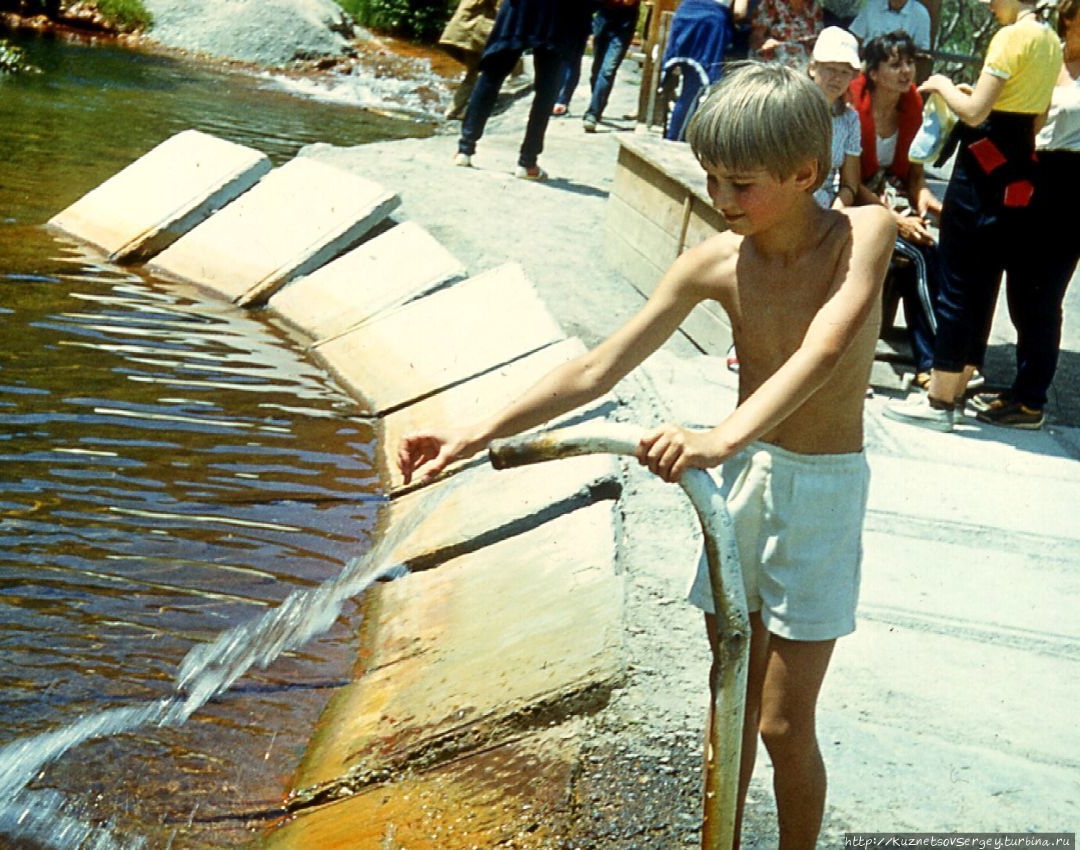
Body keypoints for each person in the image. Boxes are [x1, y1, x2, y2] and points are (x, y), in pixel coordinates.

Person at [401, 63, 896, 850]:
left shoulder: (862, 234)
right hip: (741, 486)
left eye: (740, 183)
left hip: (821, 492)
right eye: (711, 179)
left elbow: (825, 349)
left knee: (779, 723)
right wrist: (476, 435)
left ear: (806, 173)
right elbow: (598, 368)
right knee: (725, 698)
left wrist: (721, 436)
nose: (721, 200)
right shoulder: (714, 264)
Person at [884, 0, 1062, 431]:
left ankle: (940, 400)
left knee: (959, 281)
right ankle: (958, 384)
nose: (985, 2)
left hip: (981, 172)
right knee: (985, 282)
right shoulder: (1050, 41)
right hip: (1019, 167)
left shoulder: (1010, 37)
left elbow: (976, 112)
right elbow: (1035, 118)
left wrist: (944, 86)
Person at [968, 0, 1079, 426]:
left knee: (1044, 295)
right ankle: (1018, 388)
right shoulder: (1046, 55)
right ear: (1067, 17)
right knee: (1020, 289)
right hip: (1031, 171)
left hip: (1071, 183)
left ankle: (1032, 399)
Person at [849, 31, 944, 388]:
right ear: (872, 72)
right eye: (895, 64)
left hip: (895, 196)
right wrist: (895, 220)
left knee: (933, 250)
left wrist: (926, 204)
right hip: (860, 202)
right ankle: (936, 360)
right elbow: (853, 183)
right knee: (917, 258)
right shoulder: (853, 108)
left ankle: (931, 363)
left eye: (910, 62)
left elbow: (915, 176)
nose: (907, 71)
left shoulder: (914, 106)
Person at [454, 0, 595, 180]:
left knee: (492, 75)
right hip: (561, 17)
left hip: (519, 10)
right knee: (547, 89)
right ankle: (527, 162)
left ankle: (464, 150)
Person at [661, 0, 751, 140]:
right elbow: (739, 11)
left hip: (685, 15)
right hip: (709, 22)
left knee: (688, 87)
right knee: (697, 89)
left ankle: (674, 134)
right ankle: (680, 139)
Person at [552, 0, 641, 131]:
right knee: (596, 71)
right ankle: (599, 103)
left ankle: (593, 113)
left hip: (624, 24)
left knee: (607, 70)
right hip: (603, 19)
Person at [808, 27, 863, 208]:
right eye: (830, 69)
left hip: (827, 207)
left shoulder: (850, 119)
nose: (837, 78)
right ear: (812, 68)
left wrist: (834, 213)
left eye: (845, 72)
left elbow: (849, 185)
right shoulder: (789, 108)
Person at [438, 0, 501, 120]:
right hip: (474, 32)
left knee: (473, 73)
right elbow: (501, 9)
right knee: (477, 73)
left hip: (463, 30)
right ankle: (454, 112)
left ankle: (453, 111)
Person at [749, 0, 824, 69]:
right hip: (780, 58)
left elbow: (817, 36)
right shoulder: (771, 3)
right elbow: (756, 38)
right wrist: (765, 44)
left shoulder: (813, 5)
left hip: (808, 58)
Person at [849, 0, 932, 51]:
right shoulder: (873, 5)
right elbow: (855, 38)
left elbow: (922, 52)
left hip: (898, 69)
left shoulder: (921, 14)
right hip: (868, 63)